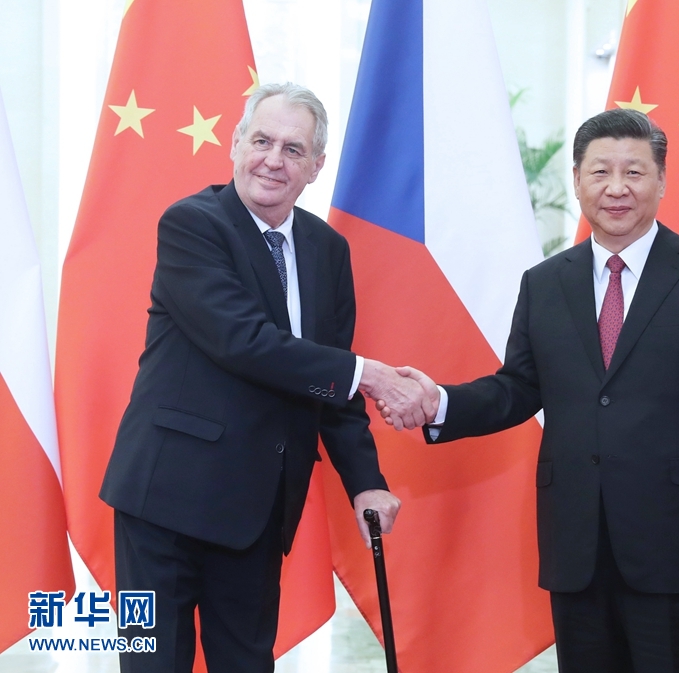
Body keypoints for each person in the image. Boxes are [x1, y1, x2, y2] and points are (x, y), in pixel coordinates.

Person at [382, 108, 679, 673]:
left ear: (662, 180)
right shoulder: (545, 283)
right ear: (576, 180)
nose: (617, 188)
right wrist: (439, 402)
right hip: (578, 549)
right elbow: (518, 388)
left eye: (634, 172)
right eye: (600, 172)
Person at [100, 82, 432, 673]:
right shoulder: (192, 225)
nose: (273, 160)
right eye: (262, 141)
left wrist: (365, 483)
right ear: (235, 144)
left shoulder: (327, 250)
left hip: (257, 506)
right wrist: (371, 375)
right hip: (165, 502)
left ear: (316, 167)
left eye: (293, 149)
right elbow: (245, 342)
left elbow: (330, 382)